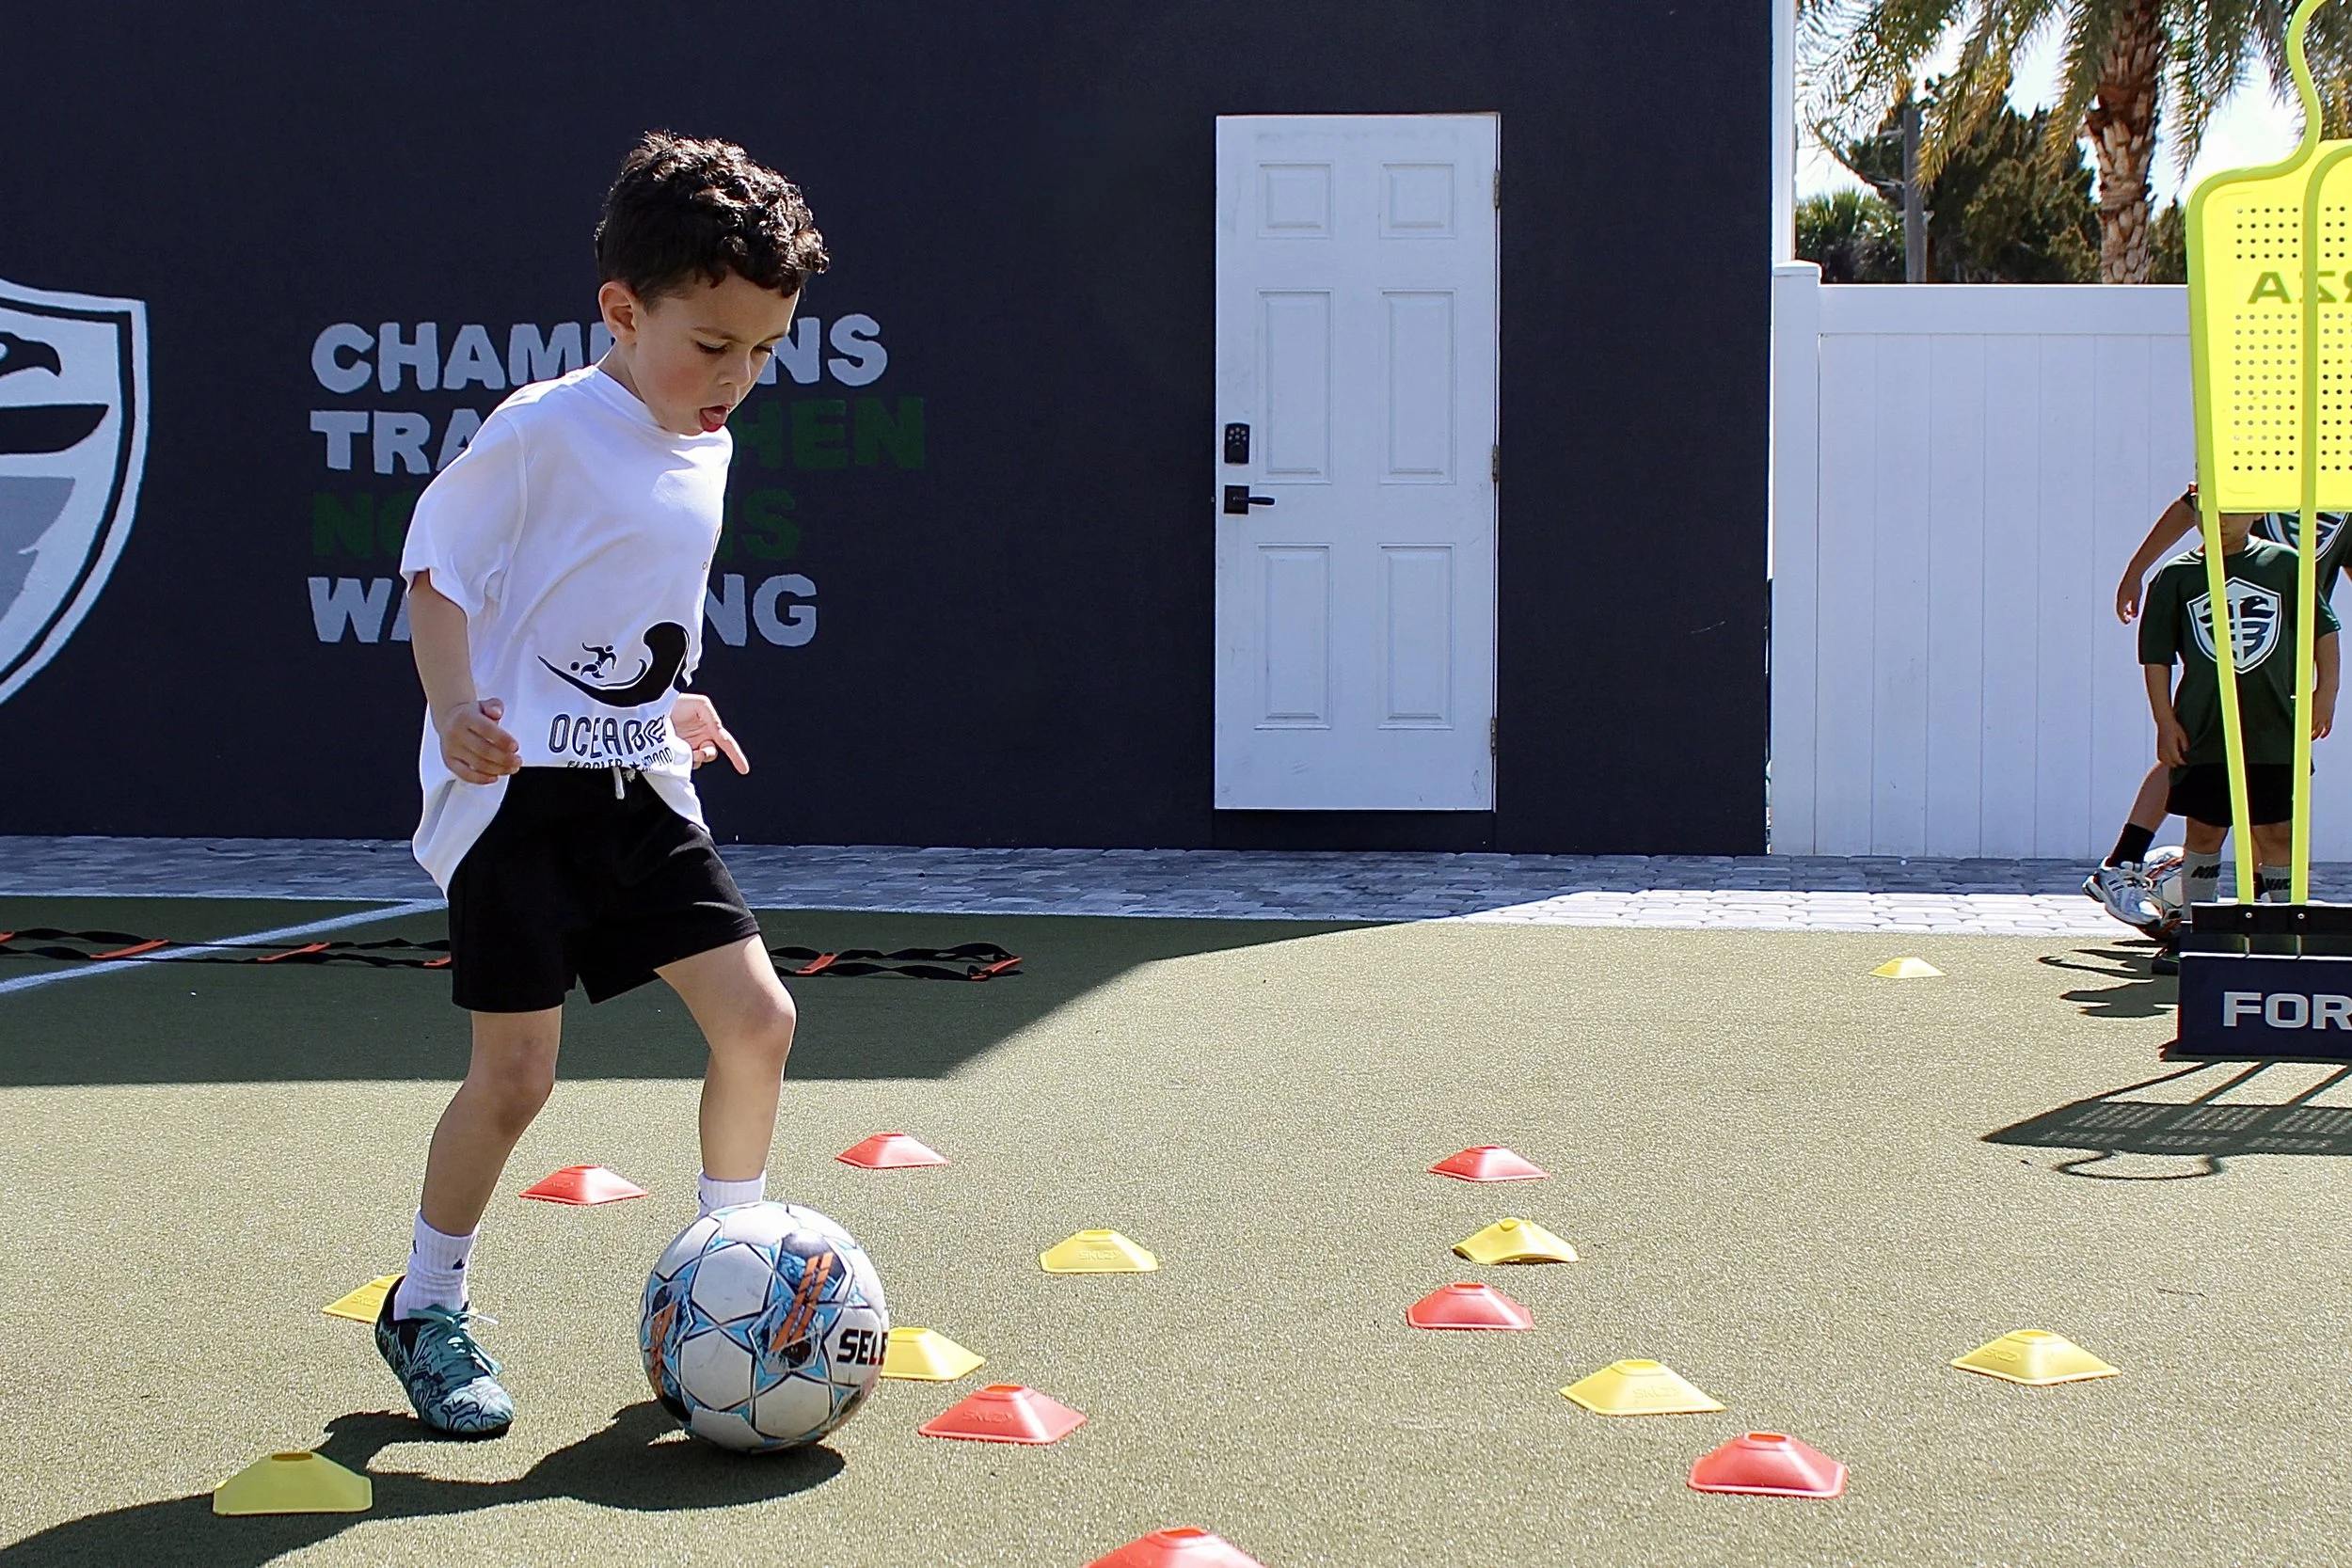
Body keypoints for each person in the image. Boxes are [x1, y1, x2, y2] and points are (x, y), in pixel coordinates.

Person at [375, 132, 828, 1435]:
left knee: (759, 1020)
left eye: (763, 351)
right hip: (517, 797)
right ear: (624, 313)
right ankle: (427, 1300)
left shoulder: (710, 439)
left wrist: (673, 694)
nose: (736, 378)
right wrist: (459, 707)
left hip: (638, 783)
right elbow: (438, 573)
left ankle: (731, 1273)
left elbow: (637, 611)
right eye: (712, 344)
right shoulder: (543, 429)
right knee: (516, 1073)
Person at [2090, 485, 2352, 930]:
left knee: (2270, 818)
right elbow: (2187, 509)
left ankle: (2271, 919)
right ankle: (2128, 866)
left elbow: (2332, 599)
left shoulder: (2324, 512)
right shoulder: (2254, 461)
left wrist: (2326, 690)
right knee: (2193, 769)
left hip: (2280, 652)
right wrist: (2136, 570)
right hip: (2214, 653)